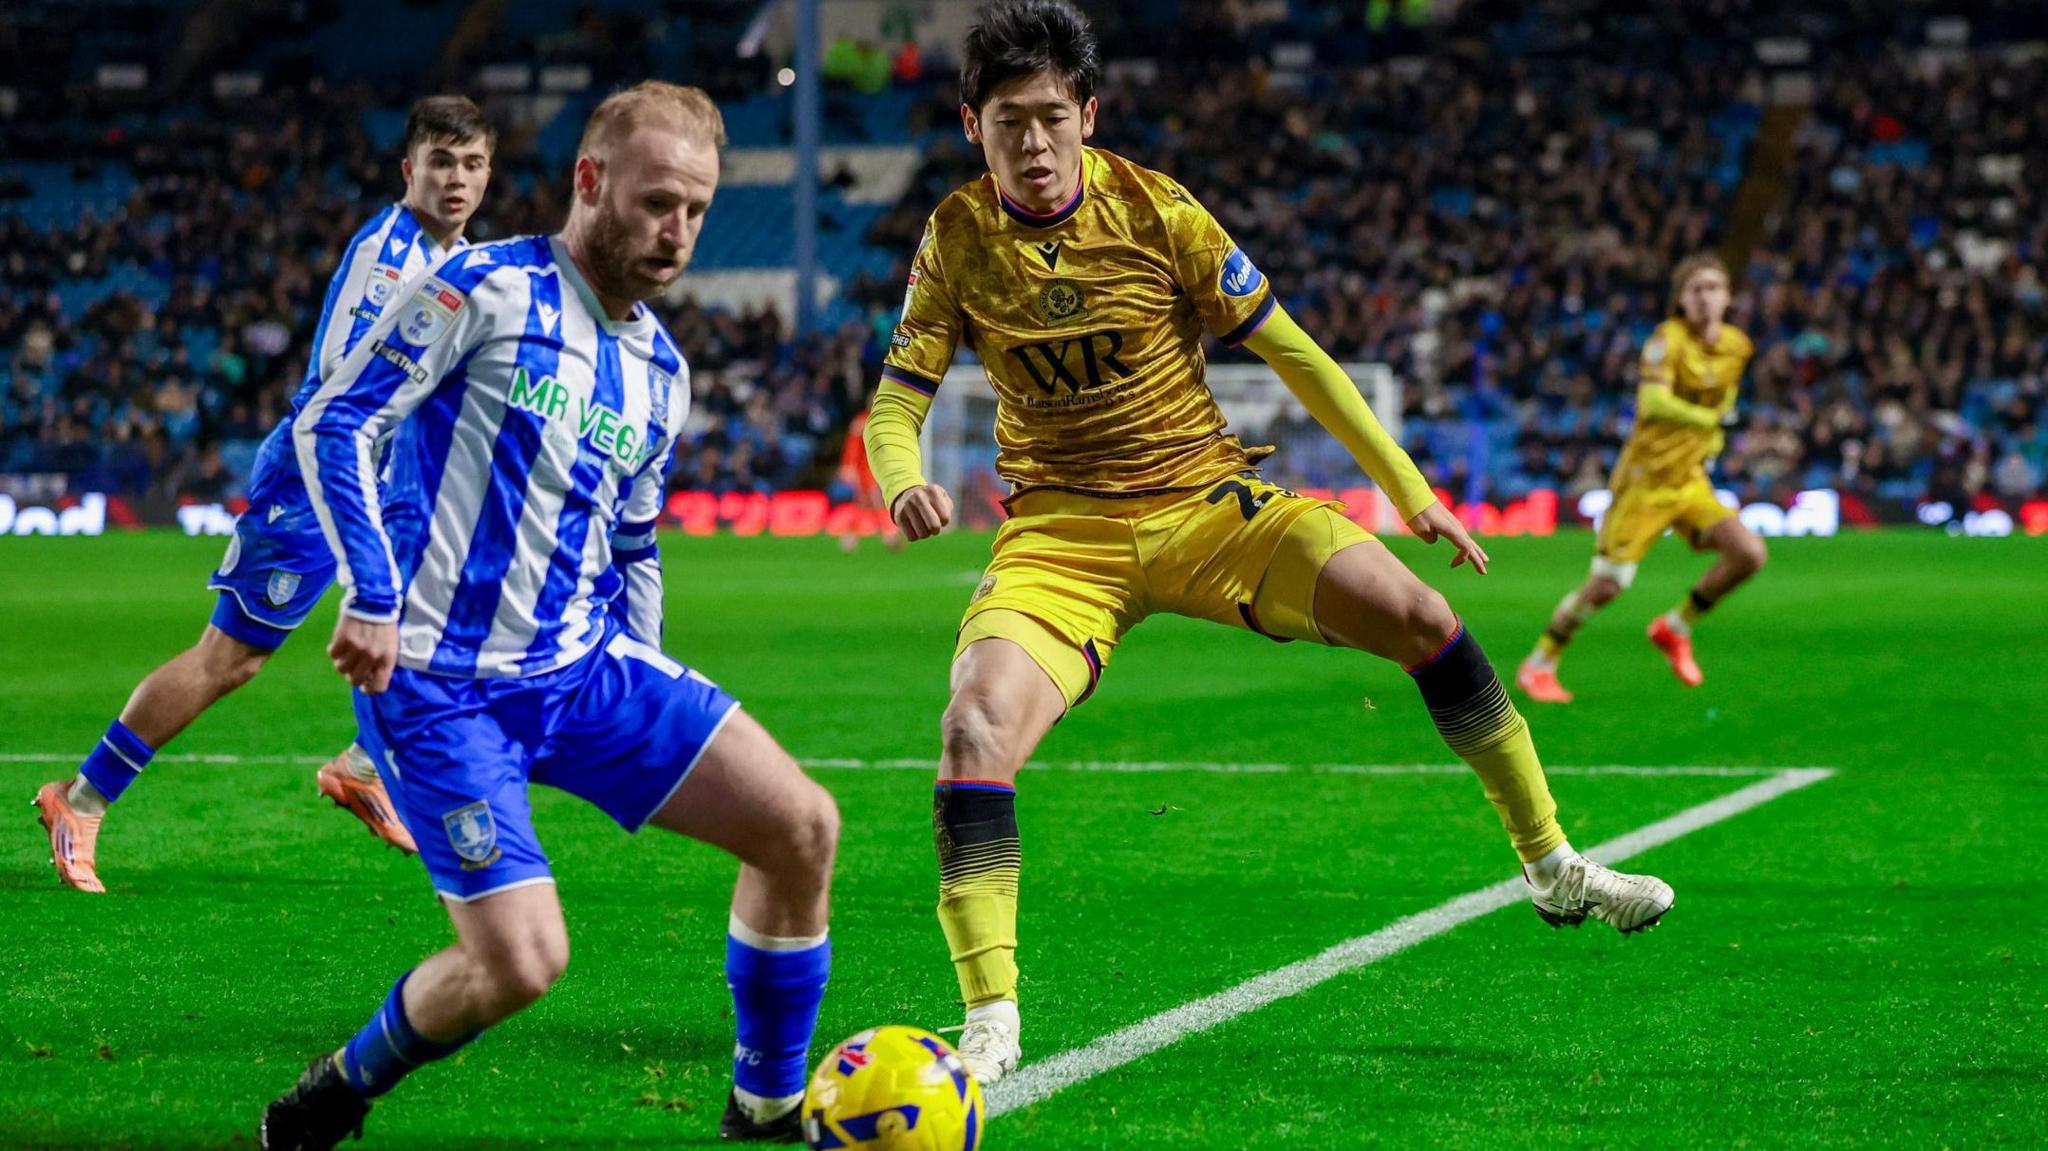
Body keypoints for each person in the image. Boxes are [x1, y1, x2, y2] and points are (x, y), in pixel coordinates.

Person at [863, 0, 1675, 1087]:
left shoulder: (1159, 211)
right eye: (1009, 120)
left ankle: (1553, 865)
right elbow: (894, 401)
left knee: (1427, 619)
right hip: (1060, 538)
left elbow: (1296, 355)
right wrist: (903, 478)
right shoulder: (954, 237)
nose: (1035, 143)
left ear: (1088, 113)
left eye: (1053, 117)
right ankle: (990, 1018)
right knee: (972, 731)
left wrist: (1409, 490)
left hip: (1209, 506)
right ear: (973, 124)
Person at [258, 83, 838, 1148]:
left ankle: (764, 1107)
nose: (679, 232)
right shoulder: (481, 287)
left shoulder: (662, 370)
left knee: (801, 827)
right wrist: (373, 595)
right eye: (659, 201)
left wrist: (655, 682)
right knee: (522, 964)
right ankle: (338, 1085)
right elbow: (336, 421)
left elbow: (632, 541)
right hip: (436, 681)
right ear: (589, 181)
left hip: (584, 674)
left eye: (697, 210)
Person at [33, 96, 498, 892]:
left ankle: (363, 764)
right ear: (409, 169)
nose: (457, 180)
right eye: (441, 162)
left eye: (473, 164)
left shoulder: (462, 256)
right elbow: (342, 399)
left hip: (396, 476)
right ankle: (79, 799)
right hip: (324, 476)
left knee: (447, 622)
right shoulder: (388, 258)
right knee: (232, 659)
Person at [1518, 254, 1766, 702]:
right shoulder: (1665, 341)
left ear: (1728, 297)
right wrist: (1710, 421)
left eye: (1714, 287)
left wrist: (1713, 441)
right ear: (1682, 300)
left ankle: (1674, 627)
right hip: (1644, 482)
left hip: (1690, 481)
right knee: (1609, 585)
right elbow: (1653, 404)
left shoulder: (1737, 346)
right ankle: (1540, 661)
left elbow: (1725, 398)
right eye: (1697, 290)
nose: (1706, 297)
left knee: (1748, 554)